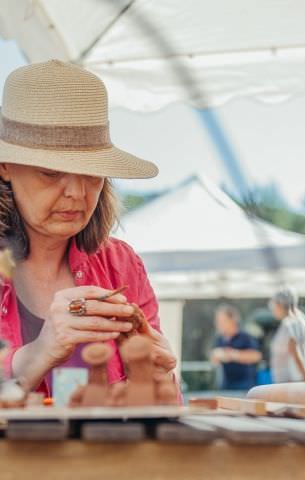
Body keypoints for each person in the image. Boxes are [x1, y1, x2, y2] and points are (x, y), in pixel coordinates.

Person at [0, 60, 179, 401]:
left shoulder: (121, 264)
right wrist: (37, 354)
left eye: (92, 174)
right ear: (6, 166)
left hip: (105, 456)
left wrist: (157, 380)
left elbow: (154, 412)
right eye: (51, 172)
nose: (77, 193)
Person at [269, 288, 305, 383]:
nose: (273, 309)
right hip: (293, 383)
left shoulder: (292, 322)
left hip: (295, 383)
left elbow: (295, 350)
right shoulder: (296, 321)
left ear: (280, 305)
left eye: (273, 305)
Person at [211, 304, 261, 390]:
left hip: (245, 386)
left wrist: (233, 354)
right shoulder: (219, 339)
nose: (218, 324)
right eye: (217, 321)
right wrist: (215, 357)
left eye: (222, 320)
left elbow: (256, 356)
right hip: (226, 386)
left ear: (232, 320)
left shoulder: (246, 337)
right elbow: (214, 361)